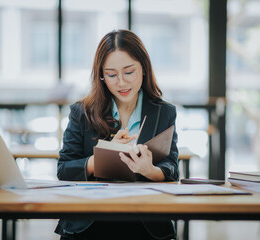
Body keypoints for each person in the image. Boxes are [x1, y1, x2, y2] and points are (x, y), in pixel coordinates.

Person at [56, 29, 179, 240]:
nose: (121, 82)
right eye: (111, 75)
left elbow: (172, 167)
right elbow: (64, 169)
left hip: (145, 221)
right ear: (101, 75)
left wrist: (150, 171)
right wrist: (104, 156)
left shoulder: (164, 112)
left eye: (129, 72)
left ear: (144, 69)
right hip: (90, 221)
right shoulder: (82, 112)